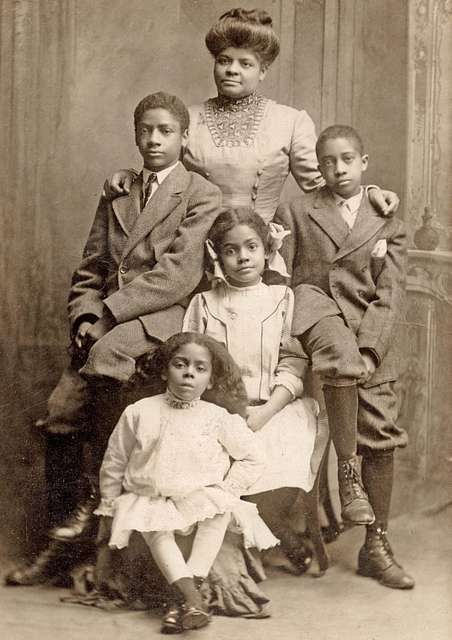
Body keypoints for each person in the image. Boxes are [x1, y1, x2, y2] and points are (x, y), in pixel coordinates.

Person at [5, 92, 222, 586]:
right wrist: (85, 313)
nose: (154, 139)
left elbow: (176, 275)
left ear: (184, 138)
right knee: (60, 413)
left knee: (106, 355)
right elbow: (91, 266)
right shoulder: (119, 191)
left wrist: (107, 314)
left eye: (166, 131)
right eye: (145, 130)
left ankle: (96, 500)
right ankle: (65, 533)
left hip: (160, 315)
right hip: (107, 321)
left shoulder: (199, 194)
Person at [275, 124, 414, 589]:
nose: (338, 169)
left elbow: (389, 295)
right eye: (328, 162)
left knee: (381, 432)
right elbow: (284, 278)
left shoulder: (386, 216)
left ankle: (376, 541)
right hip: (316, 330)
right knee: (314, 400)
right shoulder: (296, 210)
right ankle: (306, 517)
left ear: (364, 163)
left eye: (347, 160)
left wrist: (372, 348)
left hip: (368, 336)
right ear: (317, 167)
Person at [105, 7, 399, 222]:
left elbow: (326, 186)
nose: (232, 70)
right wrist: (130, 177)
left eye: (245, 64)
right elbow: (159, 177)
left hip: (259, 250)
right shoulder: (186, 119)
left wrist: (369, 192)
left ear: (263, 71)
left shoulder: (290, 122)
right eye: (224, 61)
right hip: (190, 246)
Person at [94, 332, 278, 634]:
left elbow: (254, 457)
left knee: (219, 513)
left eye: (200, 368)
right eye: (181, 364)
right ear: (165, 370)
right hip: (152, 498)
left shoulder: (218, 417)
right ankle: (192, 599)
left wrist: (227, 490)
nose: (189, 372)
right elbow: (115, 461)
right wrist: (109, 504)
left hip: (199, 498)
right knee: (155, 528)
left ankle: (181, 602)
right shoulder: (139, 412)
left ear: (211, 380)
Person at [183, 207, 325, 555]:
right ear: (218, 255)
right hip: (220, 409)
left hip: (275, 407)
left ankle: (268, 528)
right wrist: (226, 409)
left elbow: (294, 361)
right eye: (231, 250)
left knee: (286, 445)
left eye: (251, 247)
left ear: (266, 250)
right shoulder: (204, 303)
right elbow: (191, 362)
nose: (242, 257)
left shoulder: (282, 300)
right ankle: (243, 542)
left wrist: (266, 411)